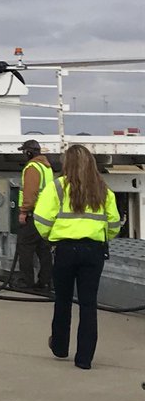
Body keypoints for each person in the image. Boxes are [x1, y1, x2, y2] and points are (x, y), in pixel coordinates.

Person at [33, 145, 122, 369]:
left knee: (62, 300)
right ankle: (84, 359)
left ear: (67, 164)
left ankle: (61, 347)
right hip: (94, 251)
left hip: (64, 250)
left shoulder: (57, 188)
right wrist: (101, 236)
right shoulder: (104, 190)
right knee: (88, 304)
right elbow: (113, 224)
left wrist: (52, 237)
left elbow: (42, 220)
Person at [14, 139, 54, 291]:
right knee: (43, 249)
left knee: (25, 247)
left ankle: (26, 281)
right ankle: (45, 281)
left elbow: (30, 193)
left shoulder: (32, 167)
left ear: (29, 152)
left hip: (33, 214)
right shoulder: (47, 167)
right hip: (45, 215)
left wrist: (24, 211)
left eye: (24, 152)